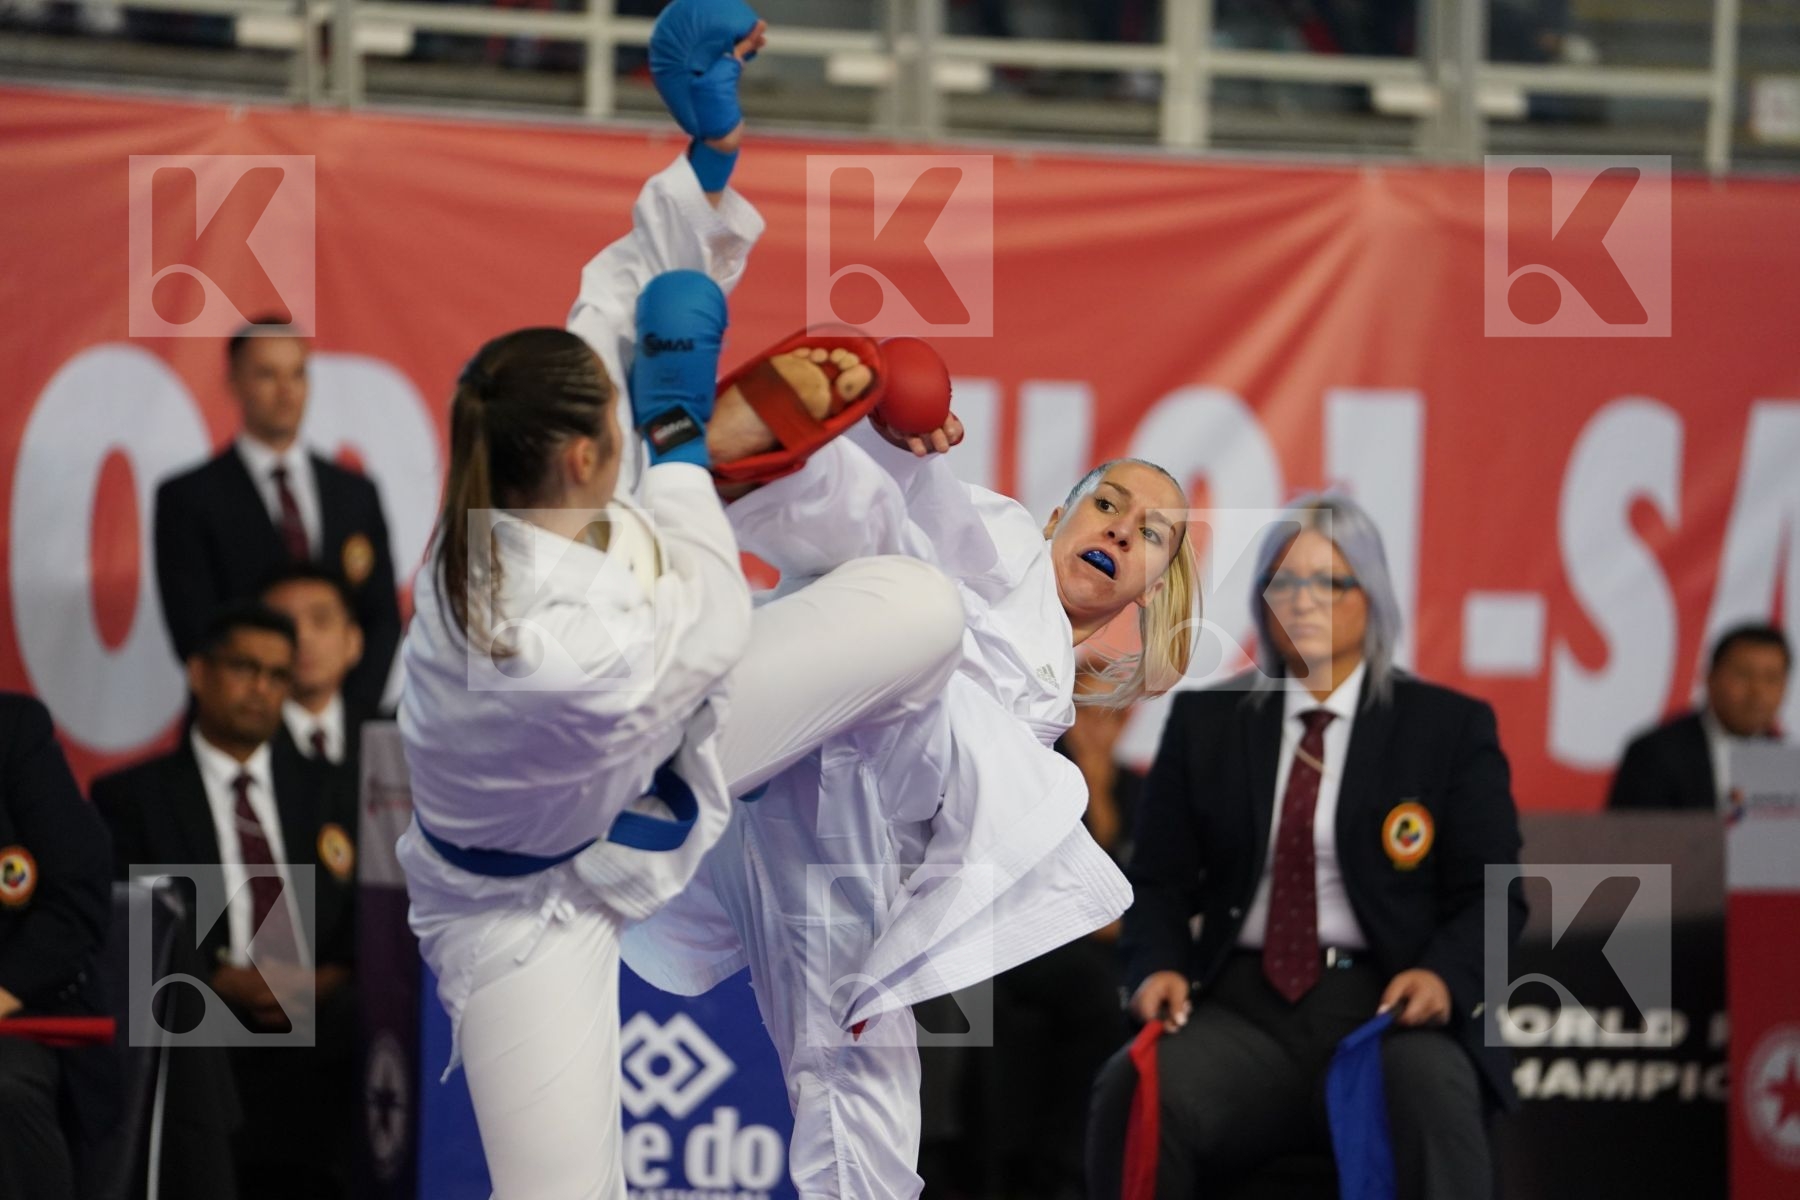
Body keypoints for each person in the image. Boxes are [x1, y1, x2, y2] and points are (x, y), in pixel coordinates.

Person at [393, 8, 976, 1193]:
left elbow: (616, 308)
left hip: (653, 741)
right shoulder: (517, 638)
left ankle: (883, 812)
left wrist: (706, 156)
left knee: (927, 608)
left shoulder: (531, 471)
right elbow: (703, 634)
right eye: (618, 434)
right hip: (527, 902)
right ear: (582, 460)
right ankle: (746, 485)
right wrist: (682, 445)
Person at [625, 419, 1201, 1199]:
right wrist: (897, 433)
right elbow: (914, 506)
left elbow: (948, 845)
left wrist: (887, 968)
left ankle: (668, 747)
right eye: (1107, 503)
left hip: (814, 831)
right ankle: (734, 452)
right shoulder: (994, 545)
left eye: (1152, 533)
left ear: (1155, 585)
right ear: (1055, 519)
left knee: (872, 1110)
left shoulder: (1043, 717)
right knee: (907, 585)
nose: (1121, 529)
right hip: (798, 741)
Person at [1086, 494, 1527, 1200]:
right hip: (1239, 1011)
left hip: (1387, 1009)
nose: (1303, 601)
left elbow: (1494, 897)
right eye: (1284, 582)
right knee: (1138, 1089)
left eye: (1328, 582)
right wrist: (1157, 965)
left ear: (1370, 596)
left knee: (1434, 1094)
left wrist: (1443, 979)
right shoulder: (1208, 722)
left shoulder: (1446, 728)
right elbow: (1159, 881)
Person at [92, 603, 358, 1200]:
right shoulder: (134, 798)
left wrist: (320, 981)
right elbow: (131, 929)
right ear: (199, 672)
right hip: (203, 1011)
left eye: (278, 675)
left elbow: (363, 920)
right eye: (244, 668)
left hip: (319, 1012)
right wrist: (219, 978)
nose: (261, 689)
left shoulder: (330, 789)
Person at [154, 322, 401, 713]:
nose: (286, 392)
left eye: (297, 374)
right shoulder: (188, 497)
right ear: (233, 383)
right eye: (267, 375)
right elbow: (194, 630)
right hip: (238, 726)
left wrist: (340, 716)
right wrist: (264, 708)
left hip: (339, 727)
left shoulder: (355, 493)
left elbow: (380, 615)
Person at [0, 693, 114, 1200]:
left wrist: (3, 991)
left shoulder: (13, 731)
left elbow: (76, 896)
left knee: (5, 1088)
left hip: (18, 1011)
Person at [1608, 622, 1790, 811]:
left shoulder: (1785, 761)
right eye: (1743, 675)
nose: (1758, 692)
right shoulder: (1654, 754)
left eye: (1772, 678)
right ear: (1710, 678)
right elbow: (1631, 829)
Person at [261, 563, 374, 784]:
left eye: (321, 620)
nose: (302, 637)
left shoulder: (390, 735)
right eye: (285, 624)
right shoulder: (241, 741)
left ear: (354, 641)